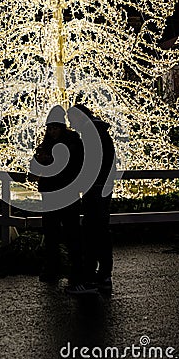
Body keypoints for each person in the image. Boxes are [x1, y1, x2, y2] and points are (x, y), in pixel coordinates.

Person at [31, 105, 96, 293]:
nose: (52, 132)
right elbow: (36, 169)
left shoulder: (73, 142)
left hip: (67, 194)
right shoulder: (46, 144)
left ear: (62, 126)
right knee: (51, 233)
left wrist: (49, 161)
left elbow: (72, 165)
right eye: (49, 128)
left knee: (72, 233)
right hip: (50, 194)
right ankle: (52, 268)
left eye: (55, 128)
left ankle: (75, 272)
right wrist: (39, 163)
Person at [67, 104, 115, 293]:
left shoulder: (90, 132)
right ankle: (103, 275)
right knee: (100, 230)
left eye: (72, 120)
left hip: (95, 189)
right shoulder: (98, 131)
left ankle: (93, 277)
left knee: (93, 230)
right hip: (101, 188)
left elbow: (90, 163)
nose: (71, 124)